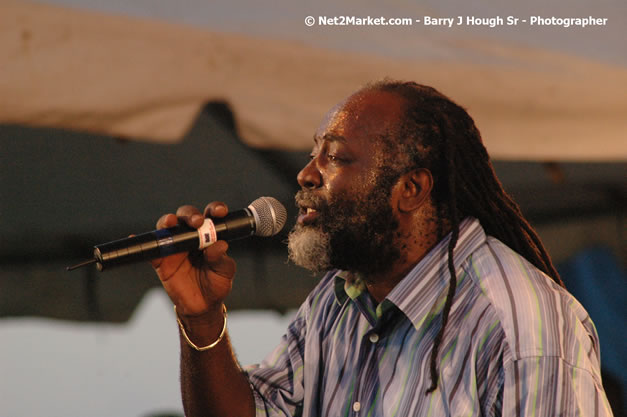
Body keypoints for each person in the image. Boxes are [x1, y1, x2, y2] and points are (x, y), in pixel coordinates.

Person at [152, 80, 613, 417]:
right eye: (315, 154)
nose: (306, 175)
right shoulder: (336, 304)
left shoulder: (523, 327)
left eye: (335, 157)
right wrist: (202, 315)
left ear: (411, 188)